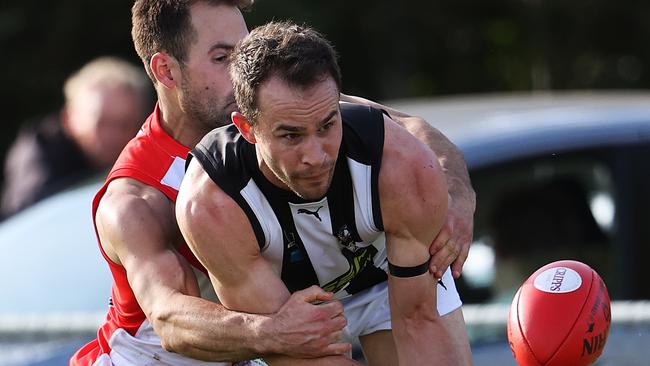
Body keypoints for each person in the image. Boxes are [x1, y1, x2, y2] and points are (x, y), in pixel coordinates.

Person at [72, 0, 474, 365]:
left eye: (244, 48)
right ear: (166, 70)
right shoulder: (137, 196)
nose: (243, 67)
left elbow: (411, 129)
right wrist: (271, 331)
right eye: (222, 56)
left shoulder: (281, 109)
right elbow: (169, 320)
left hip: (262, 336)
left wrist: (456, 199)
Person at [176, 21, 473, 365]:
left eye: (327, 126)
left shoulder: (402, 166)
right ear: (247, 128)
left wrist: (461, 196)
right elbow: (294, 353)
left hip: (388, 278)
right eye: (291, 136)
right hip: (287, 309)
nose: (316, 157)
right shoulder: (211, 204)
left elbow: (417, 319)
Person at [1, 56, 151, 219]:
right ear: (69, 119)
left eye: (124, 124)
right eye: (102, 122)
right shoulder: (38, 160)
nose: (113, 135)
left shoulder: (150, 152)